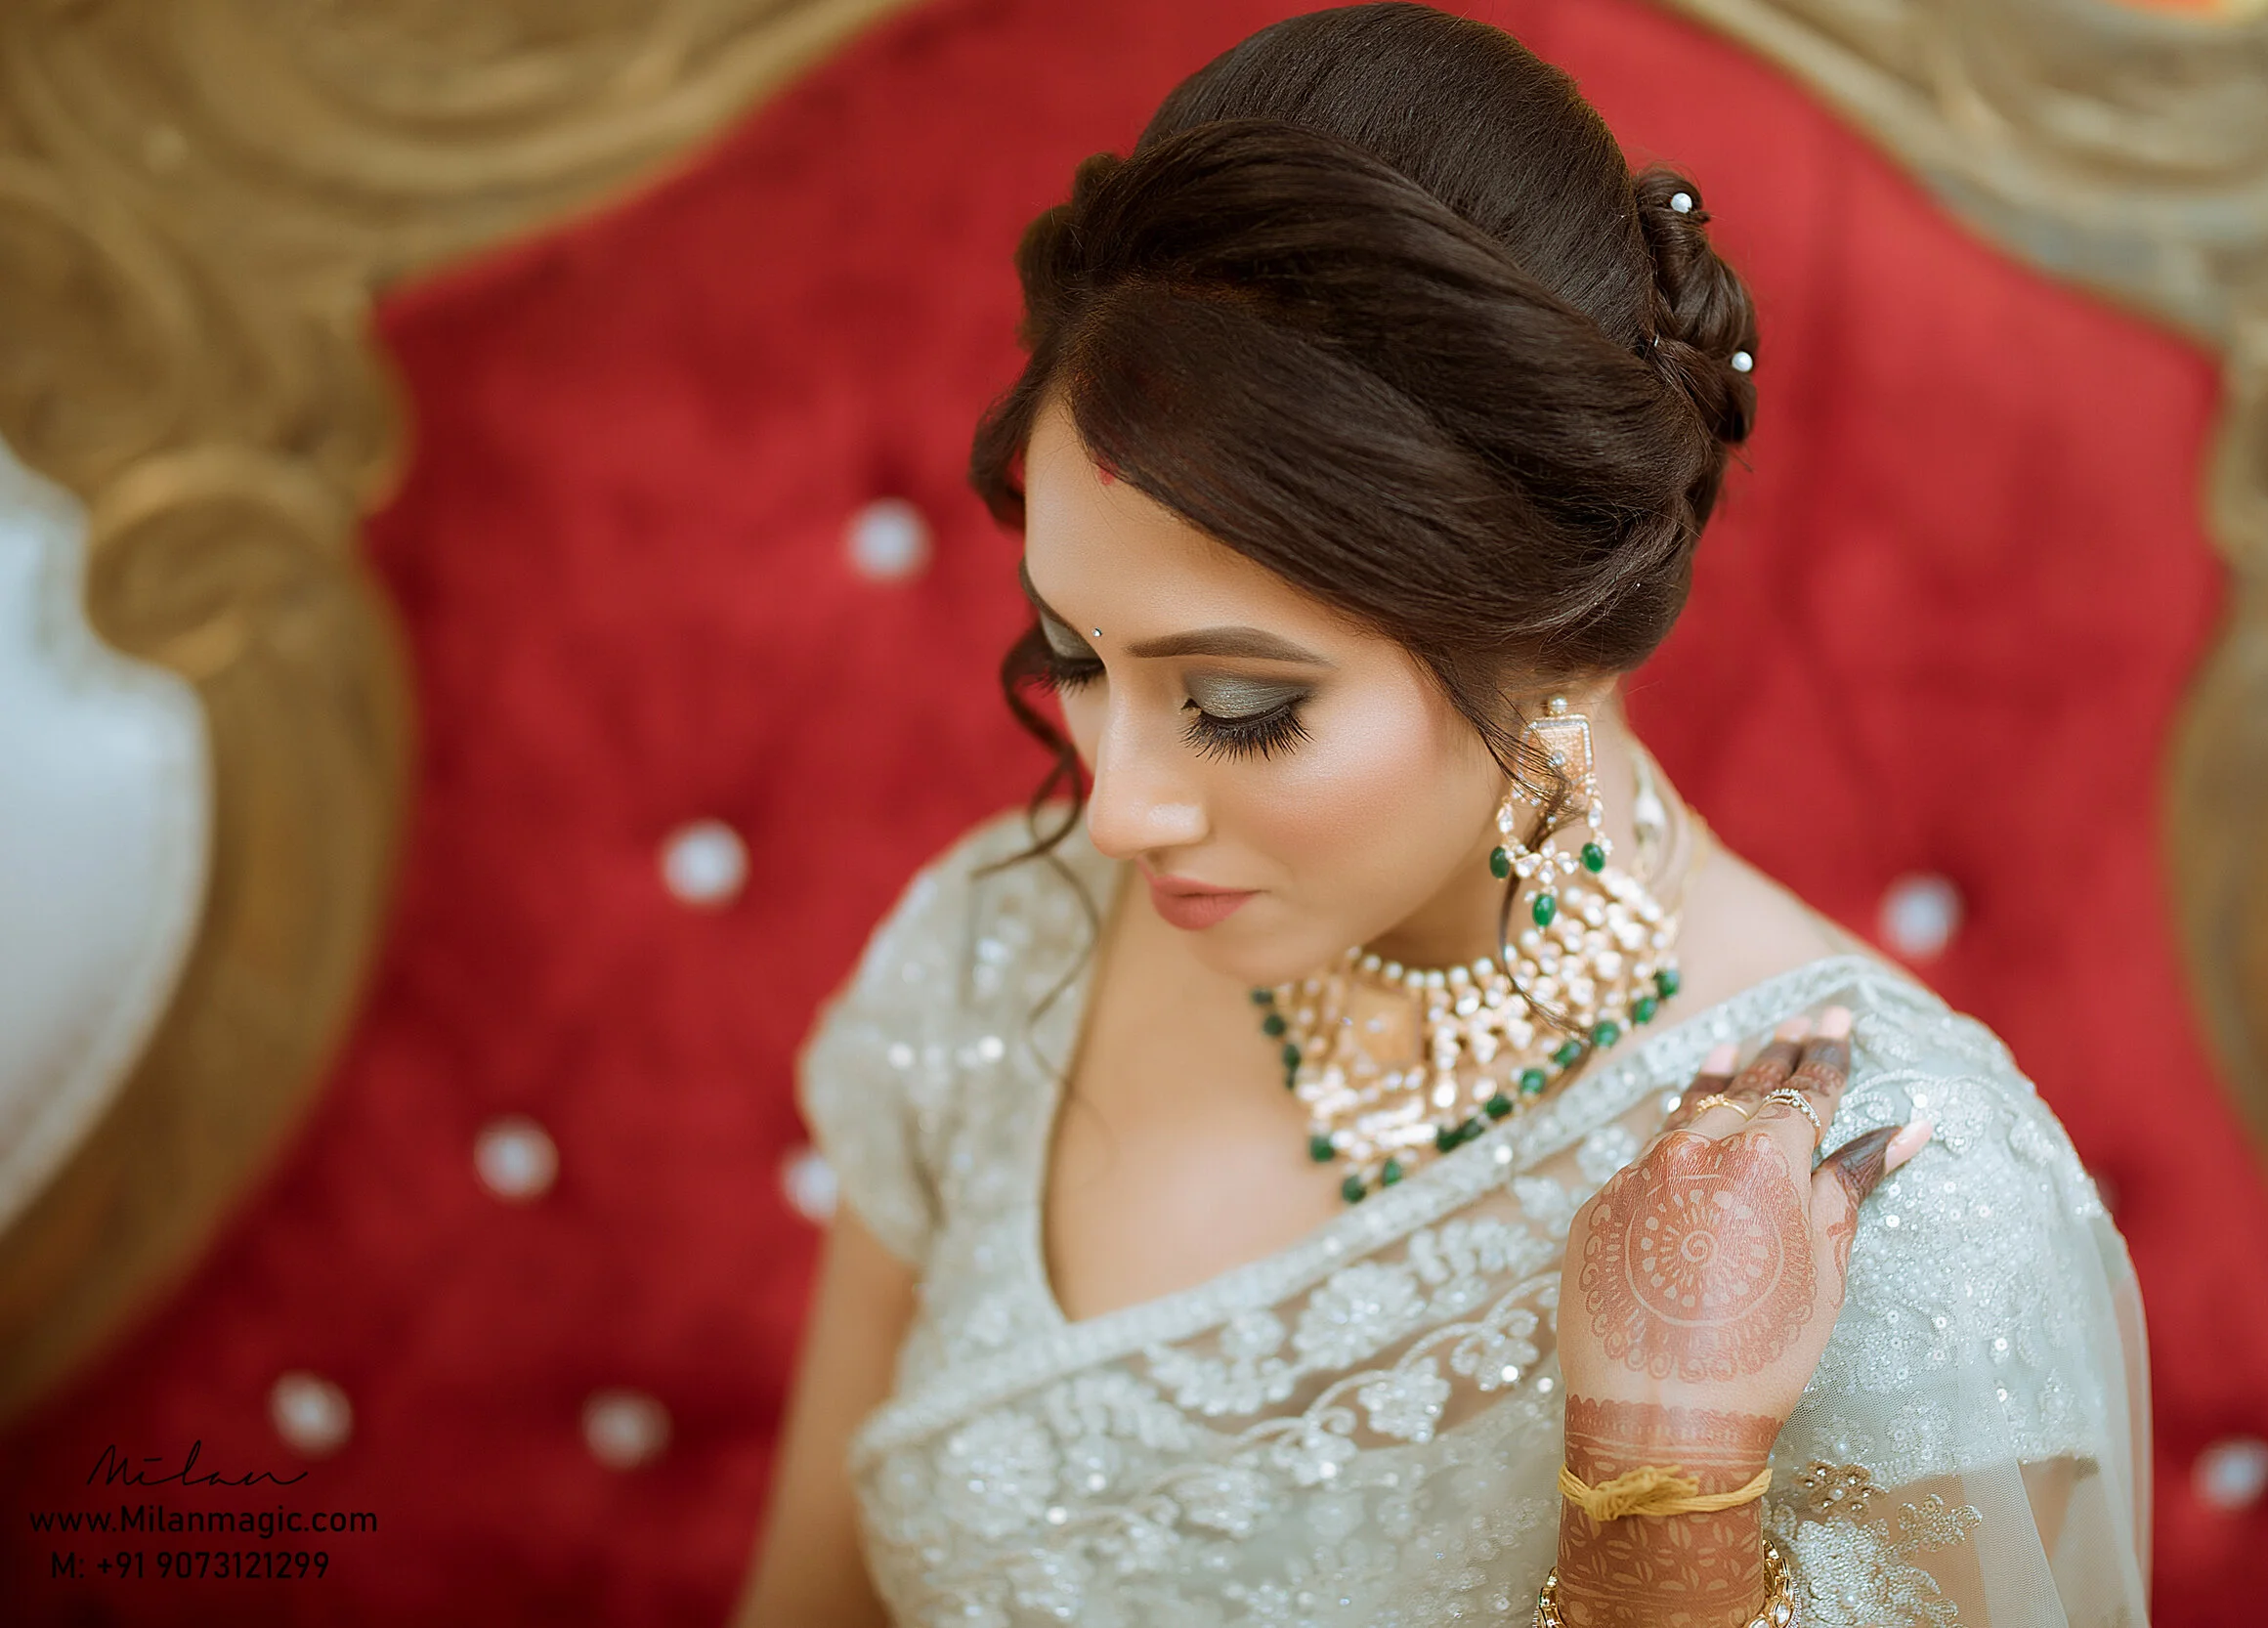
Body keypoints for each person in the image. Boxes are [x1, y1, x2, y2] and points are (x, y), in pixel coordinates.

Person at [734, 7, 2149, 1624]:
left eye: (1242, 707)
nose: (1114, 808)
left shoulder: (1888, 1195)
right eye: (1072, 654)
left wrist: (1660, 1471)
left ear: (1540, 639)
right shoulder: (1005, 950)